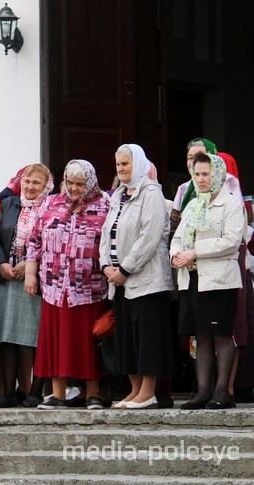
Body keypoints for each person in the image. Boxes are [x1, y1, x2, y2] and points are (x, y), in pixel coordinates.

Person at [25, 159, 109, 409]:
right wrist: (31, 274)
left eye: (80, 184)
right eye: (70, 183)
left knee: (87, 343)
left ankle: (92, 393)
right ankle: (58, 395)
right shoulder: (51, 203)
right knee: (55, 342)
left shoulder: (104, 206)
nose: (74, 188)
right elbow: (34, 240)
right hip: (54, 285)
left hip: (89, 287)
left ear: (91, 183)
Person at [99, 144, 174, 410]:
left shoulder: (151, 192)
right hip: (119, 281)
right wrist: (106, 265)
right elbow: (107, 233)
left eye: (125, 164)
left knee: (147, 337)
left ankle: (148, 392)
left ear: (139, 164)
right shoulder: (117, 194)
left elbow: (149, 236)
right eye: (118, 164)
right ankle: (134, 390)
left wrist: (126, 269)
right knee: (127, 338)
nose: (121, 169)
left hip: (146, 279)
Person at [172, 153, 245, 410]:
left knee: (221, 335)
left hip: (219, 280)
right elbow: (178, 237)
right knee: (201, 335)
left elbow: (231, 240)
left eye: (206, 174)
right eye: (197, 174)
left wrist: (195, 251)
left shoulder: (231, 203)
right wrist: (176, 255)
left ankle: (223, 391)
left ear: (218, 175)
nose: (200, 179)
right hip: (193, 279)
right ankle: (202, 392)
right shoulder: (193, 204)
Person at [0, 163, 53, 408]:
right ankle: (7, 393)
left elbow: (53, 244)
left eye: (36, 183)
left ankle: (36, 392)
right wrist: (1, 263)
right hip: (8, 279)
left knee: (35, 339)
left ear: (46, 186)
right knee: (8, 338)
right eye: (26, 181)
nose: (29, 187)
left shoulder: (51, 208)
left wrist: (30, 265)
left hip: (35, 281)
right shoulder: (9, 204)